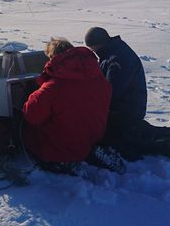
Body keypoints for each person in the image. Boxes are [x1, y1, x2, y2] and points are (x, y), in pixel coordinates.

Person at [85, 27, 170, 162]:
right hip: (123, 108)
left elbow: (111, 93)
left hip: (127, 112)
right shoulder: (112, 52)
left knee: (111, 139)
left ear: (98, 44)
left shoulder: (118, 59)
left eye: (92, 48)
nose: (93, 52)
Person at [22, 38, 112, 169]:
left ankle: (62, 161)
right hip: (94, 138)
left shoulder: (53, 87)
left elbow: (31, 115)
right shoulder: (99, 78)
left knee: (26, 132)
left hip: (64, 144)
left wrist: (32, 94)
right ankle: (87, 152)